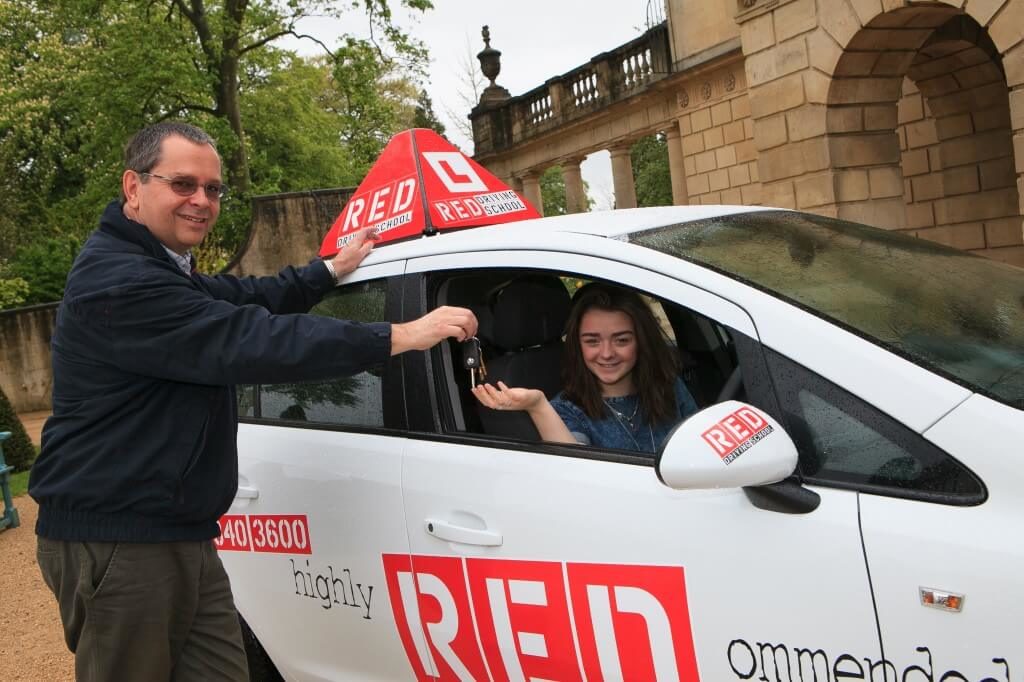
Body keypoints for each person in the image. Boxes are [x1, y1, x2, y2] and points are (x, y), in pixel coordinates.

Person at [28, 121, 477, 681]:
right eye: (184, 184)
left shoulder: (159, 267)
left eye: (213, 189)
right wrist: (399, 336)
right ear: (133, 186)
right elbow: (252, 338)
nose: (202, 201)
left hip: (177, 529)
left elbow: (243, 295)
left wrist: (327, 272)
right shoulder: (121, 282)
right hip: (118, 537)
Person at [472, 283, 697, 453]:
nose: (607, 353)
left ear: (641, 341)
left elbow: (702, 443)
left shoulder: (668, 384)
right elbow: (573, 469)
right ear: (577, 345)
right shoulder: (568, 409)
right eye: (592, 341)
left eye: (622, 340)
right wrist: (538, 406)